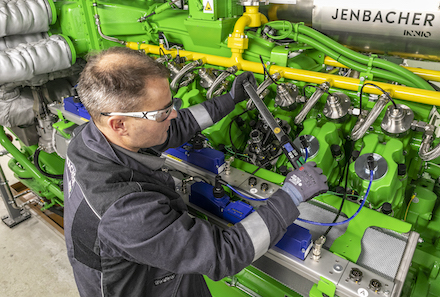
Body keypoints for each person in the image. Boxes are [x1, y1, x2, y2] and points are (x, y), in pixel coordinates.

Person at [63, 46, 328, 297]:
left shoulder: (93, 136)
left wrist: (230, 100)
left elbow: (176, 126)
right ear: (119, 123)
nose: (174, 115)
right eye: (162, 112)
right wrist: (291, 195)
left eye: (171, 105)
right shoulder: (125, 212)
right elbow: (223, 254)